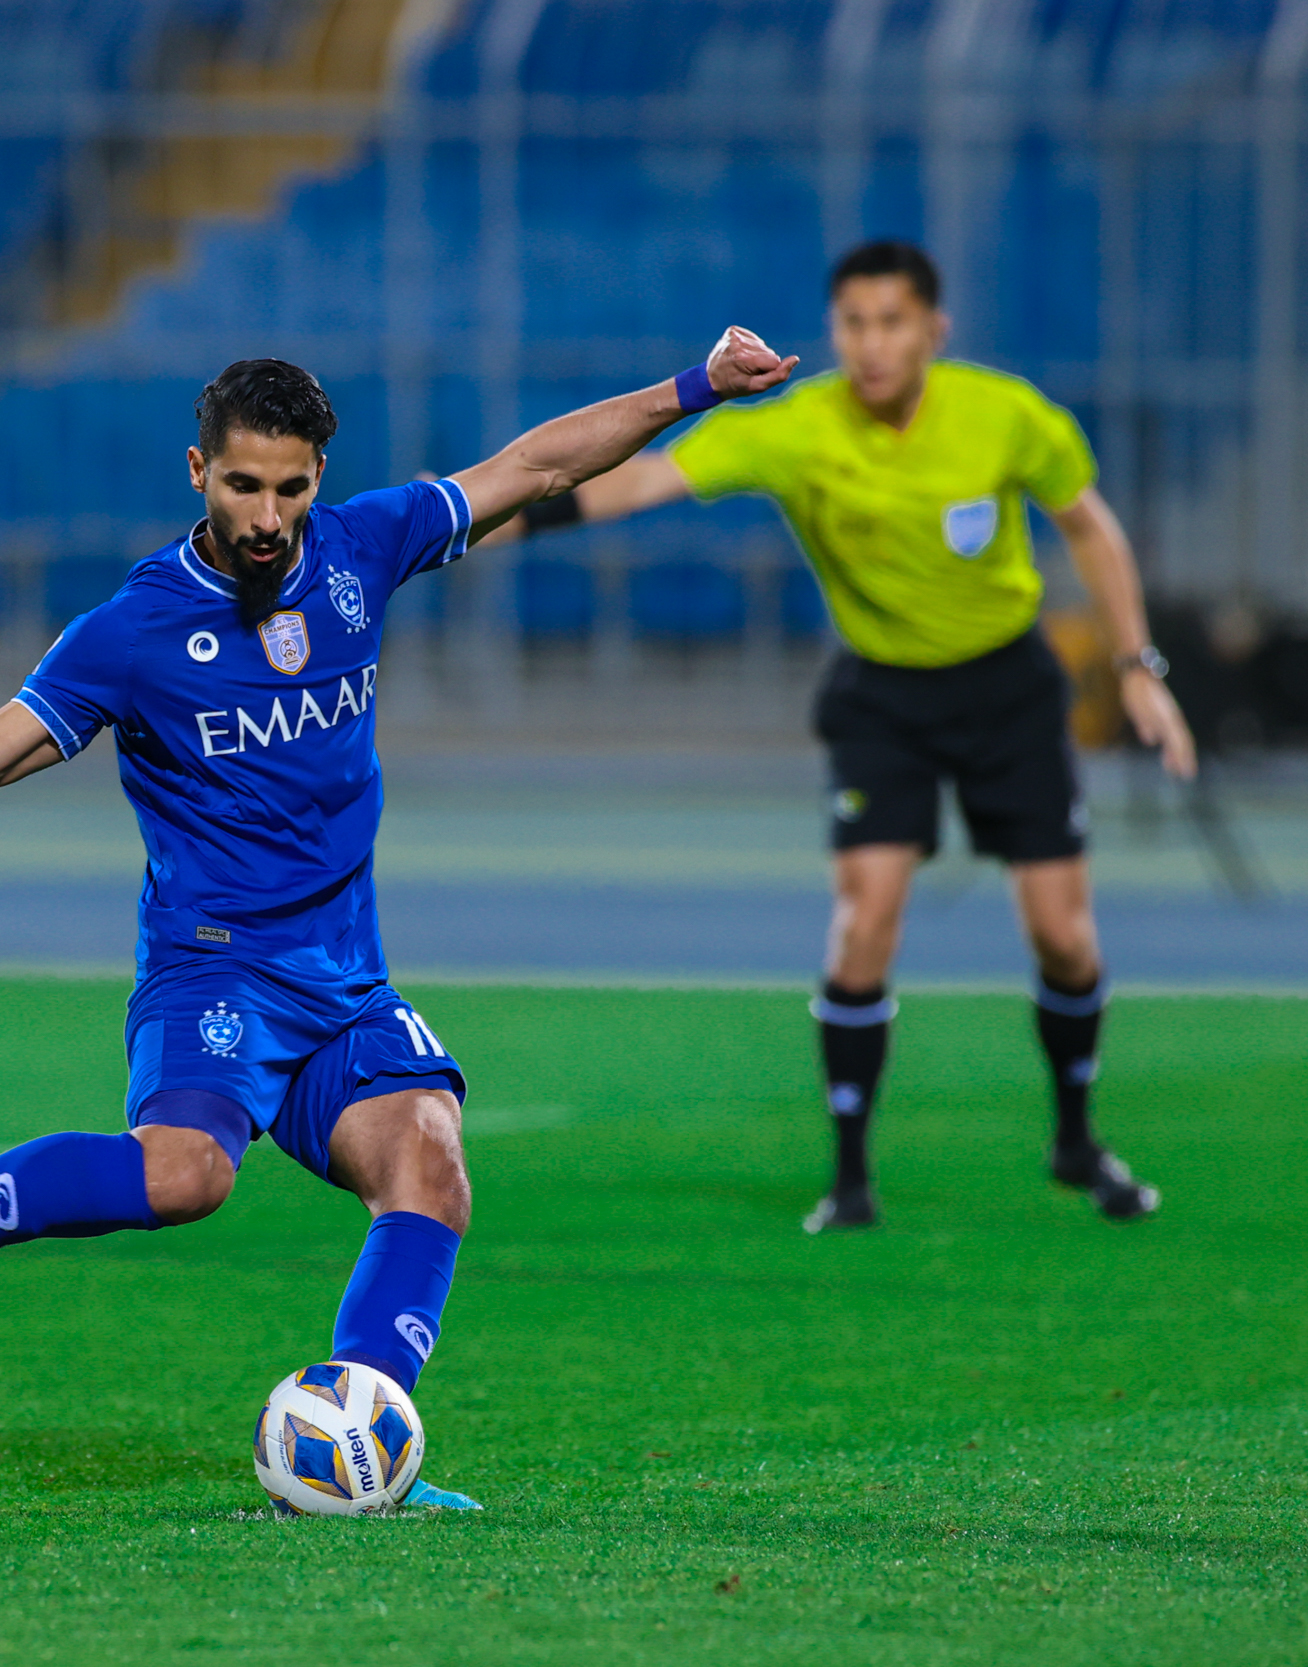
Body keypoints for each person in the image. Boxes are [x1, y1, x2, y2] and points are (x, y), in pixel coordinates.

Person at [0, 334, 794, 1508]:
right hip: (215, 973)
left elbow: (536, 467)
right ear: (198, 469)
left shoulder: (361, 548)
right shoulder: (133, 634)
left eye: (291, 487)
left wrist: (691, 389)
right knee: (185, 1178)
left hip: (344, 976)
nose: (267, 514)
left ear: (318, 479)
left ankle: (365, 1443)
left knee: (430, 1164)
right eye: (243, 484)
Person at [494, 241, 1194, 1232]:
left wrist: (1136, 669)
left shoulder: (1003, 414)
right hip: (883, 698)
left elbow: (1089, 526)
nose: (870, 343)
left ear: (932, 330)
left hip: (1008, 690)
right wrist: (485, 514)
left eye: (891, 321)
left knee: (1064, 937)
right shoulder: (795, 428)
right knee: (863, 925)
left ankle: (1074, 1137)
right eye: (853, 323)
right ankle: (850, 1174)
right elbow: (635, 486)